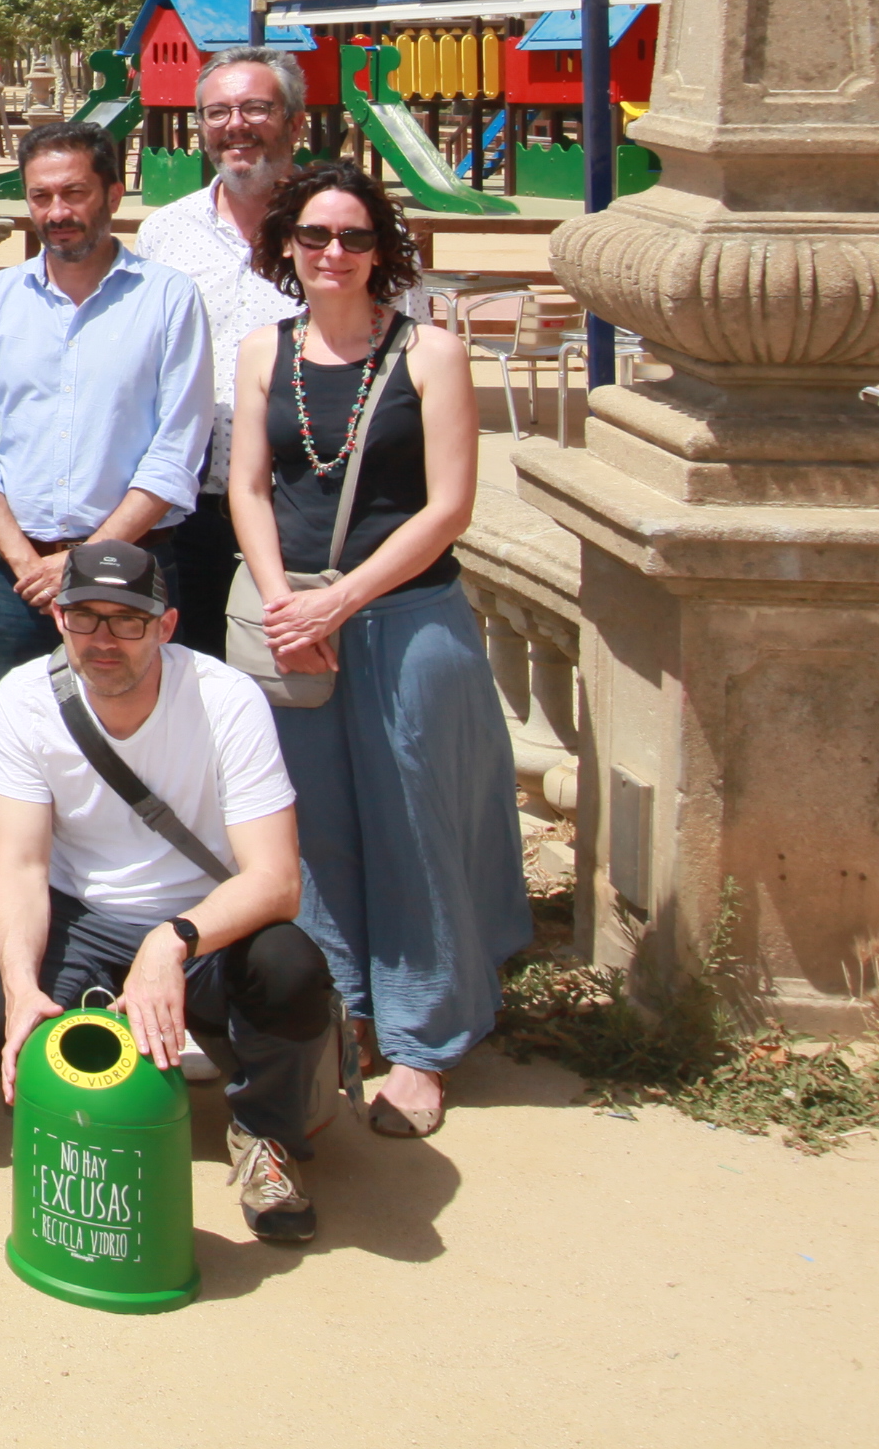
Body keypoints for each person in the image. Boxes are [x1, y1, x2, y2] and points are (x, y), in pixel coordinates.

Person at [227, 160, 526, 1140]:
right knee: (310, 827)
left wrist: (344, 599)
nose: (333, 253)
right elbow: (250, 487)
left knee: (415, 822)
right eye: (314, 235)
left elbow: (448, 506)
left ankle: (423, 1038)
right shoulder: (264, 350)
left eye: (353, 236)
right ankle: (342, 1008)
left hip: (405, 620)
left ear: (381, 250)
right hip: (293, 624)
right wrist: (284, 602)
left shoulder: (432, 352)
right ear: (288, 246)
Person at [0, 538, 332, 1244]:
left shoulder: (227, 699)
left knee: (291, 969)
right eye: (84, 617)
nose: (104, 640)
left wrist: (172, 940)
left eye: (128, 620)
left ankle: (265, 1134)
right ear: (59, 619)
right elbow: (21, 865)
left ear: (166, 625)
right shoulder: (26, 698)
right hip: (84, 914)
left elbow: (277, 880)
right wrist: (19, 985)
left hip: (205, 922)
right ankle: (107, 1094)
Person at [0, 122, 211, 690]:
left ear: (112, 195)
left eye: (74, 193)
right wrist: (27, 565)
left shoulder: (170, 298)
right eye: (41, 196)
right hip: (16, 580)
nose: (57, 212)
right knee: (20, 733)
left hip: (133, 569)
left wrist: (85, 560)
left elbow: (177, 452)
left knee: (141, 730)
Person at [135, 54, 317, 654]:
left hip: (303, 506)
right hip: (183, 513)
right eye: (217, 112)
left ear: (295, 122)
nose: (235, 125)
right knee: (191, 681)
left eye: (256, 109)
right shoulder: (164, 234)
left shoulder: (342, 234)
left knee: (294, 683)